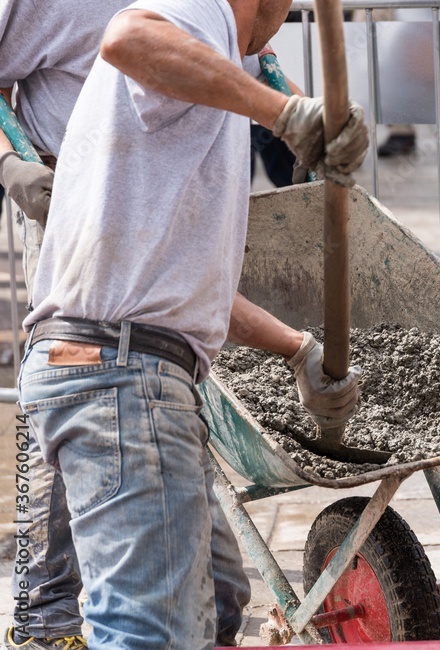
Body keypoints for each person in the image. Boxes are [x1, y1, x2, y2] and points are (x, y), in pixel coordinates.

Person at [15, 1, 368, 649]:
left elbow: (186, 285)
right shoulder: (198, 10)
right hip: (119, 374)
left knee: (220, 596)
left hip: (100, 363)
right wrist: (284, 113)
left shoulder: (193, 92)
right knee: (149, 632)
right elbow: (128, 36)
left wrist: (297, 349)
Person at [0, 2, 255, 648]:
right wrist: (10, 163)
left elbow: (248, 54)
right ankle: (43, 619)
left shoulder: (208, 15)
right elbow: (129, 40)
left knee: (206, 581)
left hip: (155, 232)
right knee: (81, 411)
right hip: (71, 225)